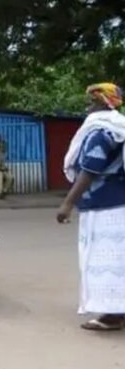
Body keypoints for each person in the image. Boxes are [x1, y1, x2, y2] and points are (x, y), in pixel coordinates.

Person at [59, 82, 125, 331]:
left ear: (102, 102)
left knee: (105, 261)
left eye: (92, 100)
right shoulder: (116, 128)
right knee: (119, 261)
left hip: (106, 208)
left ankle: (113, 315)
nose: (87, 106)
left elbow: (90, 169)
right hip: (114, 203)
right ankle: (117, 311)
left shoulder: (102, 131)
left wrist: (67, 203)